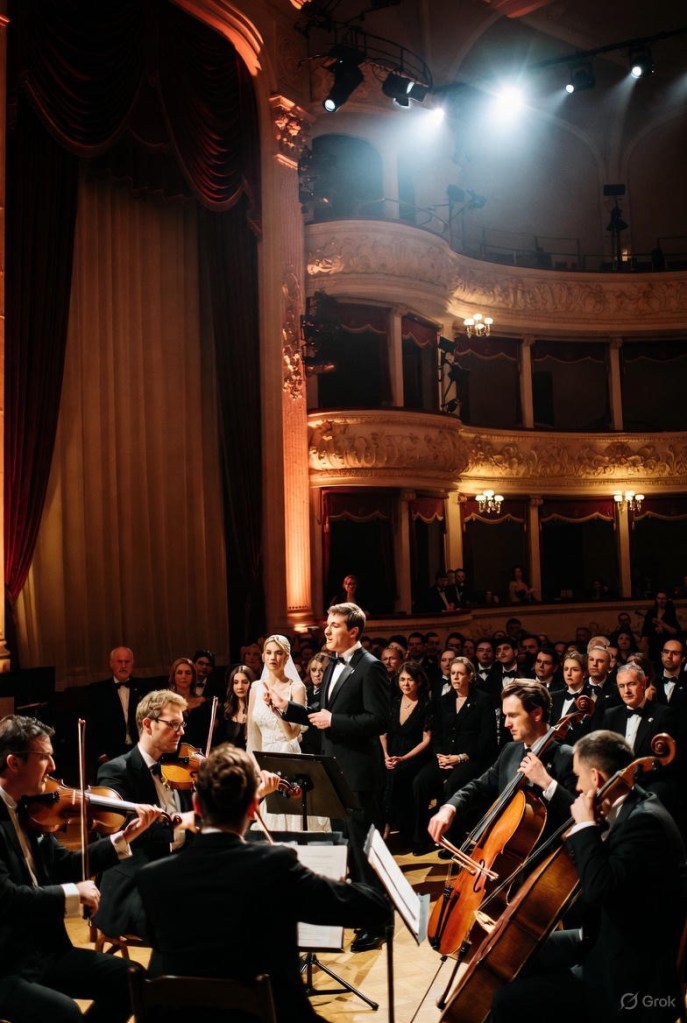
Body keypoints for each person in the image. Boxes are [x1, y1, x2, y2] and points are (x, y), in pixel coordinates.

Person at [136, 745, 391, 1023]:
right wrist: (337, 882)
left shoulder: (153, 878)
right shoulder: (273, 865)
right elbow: (373, 909)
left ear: (196, 805)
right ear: (253, 805)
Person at [490, 730, 687, 1023]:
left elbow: (598, 889)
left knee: (508, 1001)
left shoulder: (645, 822)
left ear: (595, 778)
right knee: (519, 953)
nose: (577, 786)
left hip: (629, 970)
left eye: (578, 777)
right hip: (609, 934)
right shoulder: (631, 806)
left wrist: (584, 828)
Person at [0, 714, 161, 1023]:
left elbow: (67, 865)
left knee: (131, 979)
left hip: (46, 953)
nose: (54, 767)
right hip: (7, 964)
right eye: (44, 757)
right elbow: (6, 899)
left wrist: (125, 836)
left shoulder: (30, 809)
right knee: (65, 1014)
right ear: (14, 762)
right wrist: (72, 894)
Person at [271, 602, 390, 952]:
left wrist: (334, 722)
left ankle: (377, 921)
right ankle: (361, 913)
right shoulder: (334, 664)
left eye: (335, 625)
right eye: (328, 624)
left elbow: (379, 720)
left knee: (364, 850)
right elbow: (318, 714)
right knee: (348, 850)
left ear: (353, 631)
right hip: (334, 771)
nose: (327, 630)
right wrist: (286, 708)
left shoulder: (371, 668)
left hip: (359, 774)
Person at [428, 680, 576, 849]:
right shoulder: (510, 750)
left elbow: (580, 815)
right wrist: (449, 807)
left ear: (536, 714)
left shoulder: (567, 756)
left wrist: (547, 783)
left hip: (545, 862)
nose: (506, 724)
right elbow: (479, 786)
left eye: (513, 715)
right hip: (505, 851)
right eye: (505, 716)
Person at [412, 656, 497, 855]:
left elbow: (487, 739)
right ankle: (421, 839)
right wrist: (441, 757)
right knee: (420, 782)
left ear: (470, 676)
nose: (456, 677)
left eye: (460, 673)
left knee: (453, 785)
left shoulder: (483, 700)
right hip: (445, 757)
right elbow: (438, 734)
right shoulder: (443, 701)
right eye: (452, 674)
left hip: (472, 758)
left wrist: (460, 758)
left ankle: (454, 842)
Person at [248, 634, 327, 833]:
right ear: (263, 657)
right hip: (264, 759)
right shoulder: (256, 688)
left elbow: (293, 733)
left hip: (288, 755)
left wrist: (277, 711)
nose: (273, 657)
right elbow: (252, 734)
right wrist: (254, 768)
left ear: (286, 657)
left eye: (278, 653)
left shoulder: (297, 688)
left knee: (291, 814)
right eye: (268, 653)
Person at [380, 661, 432, 850]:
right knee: (385, 777)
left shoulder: (426, 704)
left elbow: (426, 740)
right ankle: (384, 833)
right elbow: (382, 733)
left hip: (415, 757)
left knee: (401, 778)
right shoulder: (392, 702)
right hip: (390, 755)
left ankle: (400, 833)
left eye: (410, 680)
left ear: (418, 682)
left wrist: (404, 758)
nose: (406, 684)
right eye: (402, 679)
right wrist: (386, 755)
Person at [87, 646, 146, 771]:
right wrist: (102, 756)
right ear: (111, 664)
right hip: (110, 755)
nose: (123, 666)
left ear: (132, 663)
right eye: (119, 662)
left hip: (140, 751)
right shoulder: (96, 691)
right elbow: (91, 728)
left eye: (127, 662)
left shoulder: (144, 688)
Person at [168, 656, 213, 750]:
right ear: (173, 676)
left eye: (188, 673)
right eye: (179, 672)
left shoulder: (204, 703)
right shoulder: (166, 704)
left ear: (193, 676)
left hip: (200, 754)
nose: (184, 676)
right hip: (173, 754)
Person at [216, 664, 255, 749]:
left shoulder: (257, 710)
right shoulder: (224, 710)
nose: (240, 687)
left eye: (245, 682)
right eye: (236, 682)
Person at [300, 653, 329, 755]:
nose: (317, 674)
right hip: (305, 745)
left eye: (321, 670)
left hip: (323, 745)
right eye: (313, 670)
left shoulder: (331, 694)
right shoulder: (305, 692)